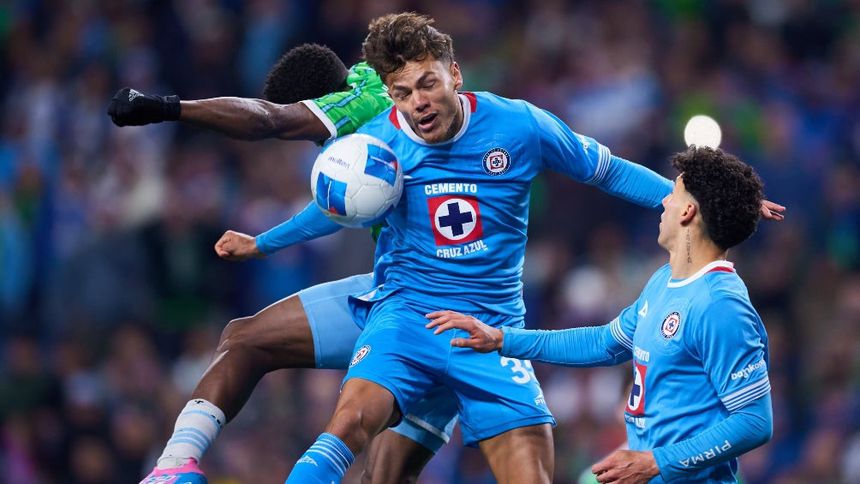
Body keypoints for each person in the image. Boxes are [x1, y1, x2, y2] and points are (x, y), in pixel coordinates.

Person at [282, 12, 709, 483]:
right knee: (347, 427)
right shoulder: (378, 144)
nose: (418, 102)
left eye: (427, 84)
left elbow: (607, 171)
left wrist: (692, 202)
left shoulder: (518, 125)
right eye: (402, 93)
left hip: (492, 331)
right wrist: (263, 243)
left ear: (455, 74)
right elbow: (328, 208)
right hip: (407, 320)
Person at [109, 43, 458, 484]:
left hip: (416, 305)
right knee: (383, 477)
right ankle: (174, 468)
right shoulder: (381, 94)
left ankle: (175, 465)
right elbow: (338, 205)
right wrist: (262, 244)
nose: (316, 142)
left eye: (311, 131)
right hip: (460, 307)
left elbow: (267, 119)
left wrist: (167, 108)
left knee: (246, 340)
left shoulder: (355, 104)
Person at [427, 147, 774, 483]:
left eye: (674, 193)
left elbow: (755, 421)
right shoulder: (664, 281)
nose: (664, 201)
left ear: (687, 212)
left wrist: (657, 462)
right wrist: (502, 338)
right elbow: (605, 342)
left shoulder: (720, 305)